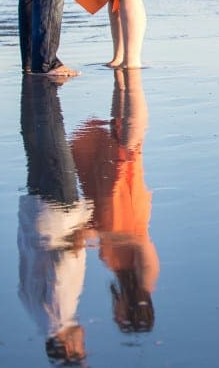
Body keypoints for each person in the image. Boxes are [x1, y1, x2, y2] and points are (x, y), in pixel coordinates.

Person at [72, 68, 159, 333]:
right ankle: (128, 80)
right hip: (127, 209)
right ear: (132, 310)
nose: (114, 310)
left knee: (115, 140)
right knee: (126, 146)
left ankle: (124, 81)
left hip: (107, 209)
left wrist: (91, 235)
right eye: (118, 315)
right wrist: (101, 234)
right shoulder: (146, 278)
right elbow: (139, 241)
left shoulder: (120, 275)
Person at [17, 76, 93, 364]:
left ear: (70, 349)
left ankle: (42, 81)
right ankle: (36, 84)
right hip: (36, 215)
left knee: (53, 135)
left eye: (83, 348)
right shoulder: (34, 313)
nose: (84, 339)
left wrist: (82, 238)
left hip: (58, 216)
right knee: (38, 145)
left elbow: (62, 268)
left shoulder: (59, 315)